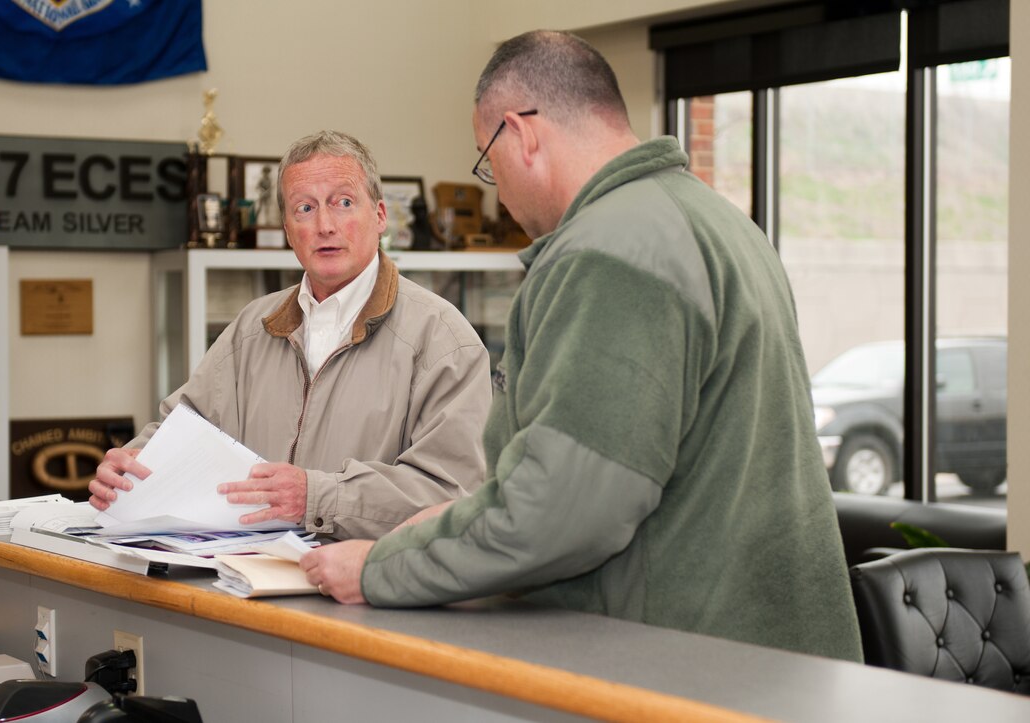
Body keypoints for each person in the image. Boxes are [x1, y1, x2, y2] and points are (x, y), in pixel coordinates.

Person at [300, 31, 864, 662]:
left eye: (488, 162)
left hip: (690, 669)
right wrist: (441, 526)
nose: (499, 191)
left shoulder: (609, 251)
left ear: (522, 134)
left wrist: (380, 566)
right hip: (782, 663)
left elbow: (561, 511)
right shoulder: (720, 223)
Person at [89, 130, 493, 540]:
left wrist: (318, 497)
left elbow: (453, 495)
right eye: (305, 208)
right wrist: (132, 463)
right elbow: (185, 426)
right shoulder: (253, 327)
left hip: (369, 591)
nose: (324, 226)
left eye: (344, 203)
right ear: (287, 228)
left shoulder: (443, 340)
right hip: (247, 583)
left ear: (381, 215)